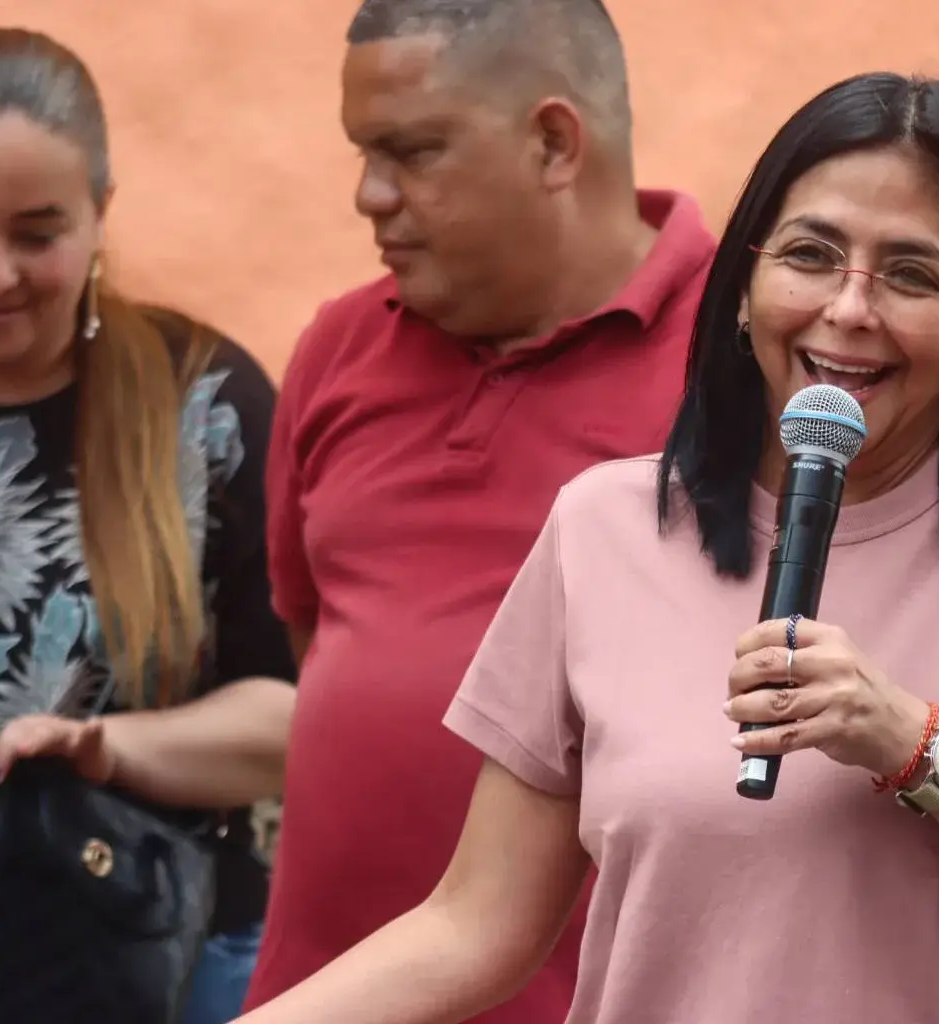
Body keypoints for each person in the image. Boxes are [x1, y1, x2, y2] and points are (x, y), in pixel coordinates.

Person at [233, 69, 939, 1024]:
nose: (848, 308)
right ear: (743, 285)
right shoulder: (604, 529)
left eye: (912, 274)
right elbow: (477, 924)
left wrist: (915, 742)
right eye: (808, 255)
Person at [239, 1, 715, 1020]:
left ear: (553, 142)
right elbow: (316, 638)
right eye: (364, 152)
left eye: (412, 152)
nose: (370, 196)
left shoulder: (742, 366)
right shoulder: (338, 347)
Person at [0, 27, 297, 1024]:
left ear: (101, 214)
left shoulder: (210, 405)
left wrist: (105, 747)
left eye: (36, 231)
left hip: (163, 950)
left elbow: (292, 717)